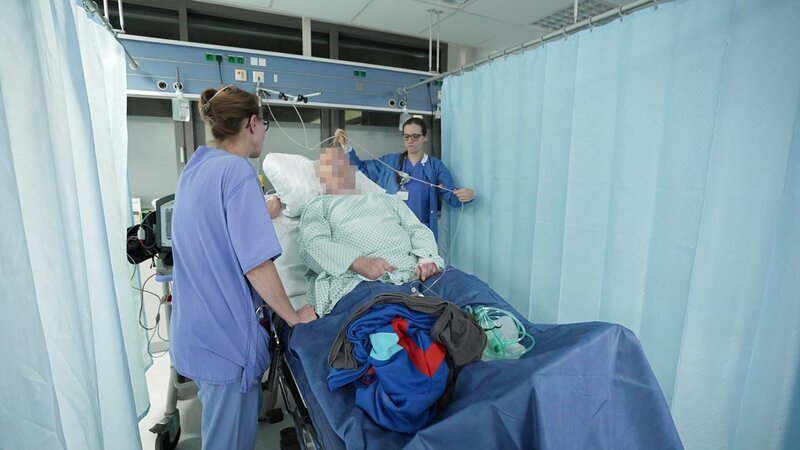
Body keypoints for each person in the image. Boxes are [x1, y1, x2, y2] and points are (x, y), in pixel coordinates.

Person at [170, 84, 317, 450]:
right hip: (226, 343)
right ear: (252, 123)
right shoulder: (238, 173)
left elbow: (216, 233)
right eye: (264, 123)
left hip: (197, 334)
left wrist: (259, 214)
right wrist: (293, 315)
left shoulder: (196, 168)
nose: (264, 131)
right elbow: (256, 264)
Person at [334, 117, 475, 240]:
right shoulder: (390, 162)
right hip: (390, 231)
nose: (410, 141)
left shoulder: (434, 166)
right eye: (406, 136)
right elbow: (362, 169)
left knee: (421, 270)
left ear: (425, 137)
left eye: (415, 136)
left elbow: (451, 196)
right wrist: (346, 146)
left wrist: (467, 195)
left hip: (421, 232)